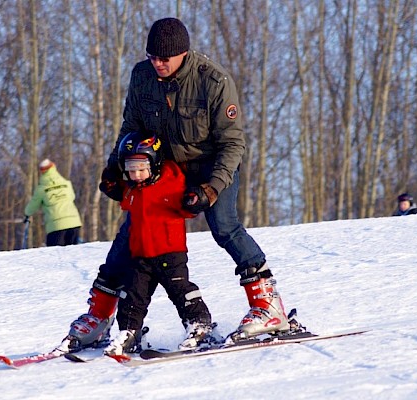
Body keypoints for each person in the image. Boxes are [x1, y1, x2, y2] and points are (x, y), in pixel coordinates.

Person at [57, 17, 305, 354]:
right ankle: (99, 316)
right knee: (133, 232)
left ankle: (269, 306)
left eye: (164, 59)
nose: (157, 64)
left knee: (224, 226)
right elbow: (131, 127)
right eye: (152, 57)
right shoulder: (142, 76)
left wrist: (212, 188)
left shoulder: (213, 81)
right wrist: (116, 168)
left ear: (183, 54)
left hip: (212, 165)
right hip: (166, 168)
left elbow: (233, 144)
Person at [102, 132, 214, 356]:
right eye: (131, 169)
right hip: (141, 256)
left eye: (141, 168)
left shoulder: (171, 182)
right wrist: (112, 185)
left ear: (155, 163)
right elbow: (122, 196)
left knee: (180, 291)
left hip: (170, 254)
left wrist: (193, 200)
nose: (136, 174)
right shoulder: (133, 188)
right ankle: (129, 333)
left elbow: (187, 208)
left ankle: (199, 325)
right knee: (132, 296)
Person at [23, 159, 83, 246]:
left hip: (56, 226)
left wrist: (26, 214)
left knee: (55, 256)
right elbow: (72, 197)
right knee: (72, 255)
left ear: (42, 171)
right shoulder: (66, 183)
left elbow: (32, 206)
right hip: (74, 222)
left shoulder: (42, 188)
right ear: (53, 168)